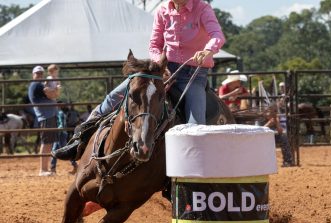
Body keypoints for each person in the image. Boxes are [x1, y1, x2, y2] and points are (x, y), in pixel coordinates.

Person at [52, 0, 225, 161]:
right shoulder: (163, 11)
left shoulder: (202, 8)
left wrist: (208, 50)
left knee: (196, 122)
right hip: (163, 70)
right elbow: (154, 44)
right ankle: (79, 140)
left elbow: (217, 35)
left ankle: (194, 164)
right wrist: (159, 65)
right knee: (115, 96)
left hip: (193, 75)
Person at [28, 66, 58, 176]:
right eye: (37, 73)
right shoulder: (37, 85)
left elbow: (54, 94)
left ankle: (46, 169)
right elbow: (53, 94)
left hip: (49, 116)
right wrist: (55, 90)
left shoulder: (40, 85)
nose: (39, 75)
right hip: (46, 117)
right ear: (33, 74)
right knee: (46, 143)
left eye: (41, 73)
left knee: (49, 143)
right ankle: (43, 170)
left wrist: (54, 91)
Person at [50, 102, 78, 175]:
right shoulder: (60, 112)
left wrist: (58, 131)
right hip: (61, 133)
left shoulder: (59, 113)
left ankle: (53, 169)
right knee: (64, 149)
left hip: (60, 133)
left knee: (56, 149)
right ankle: (75, 166)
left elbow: (61, 125)